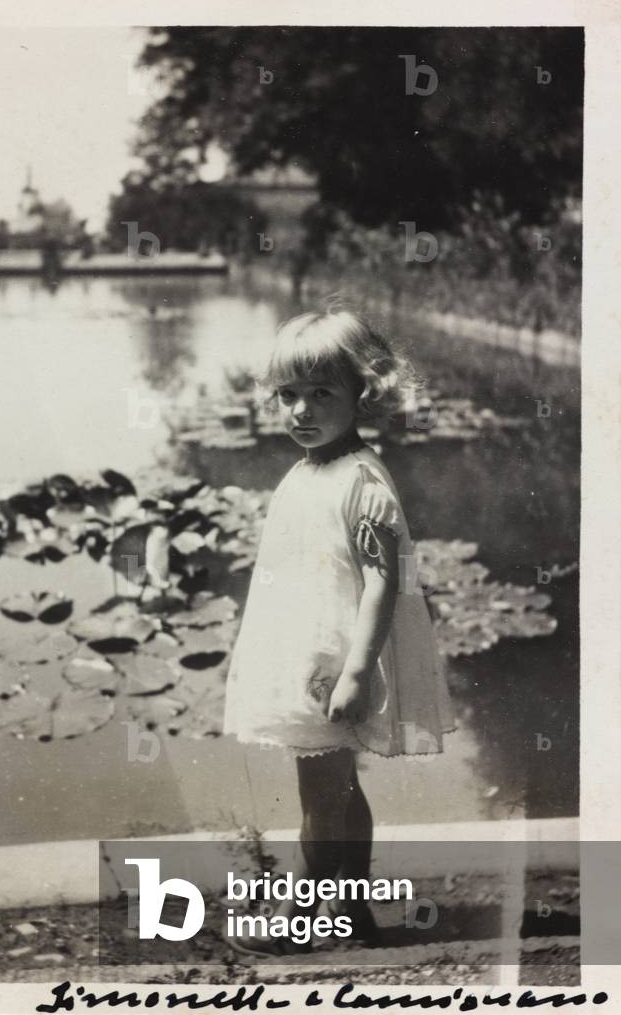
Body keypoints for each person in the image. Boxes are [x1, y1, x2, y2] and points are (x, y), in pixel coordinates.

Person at [222, 302, 456, 958]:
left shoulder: (361, 480)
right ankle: (351, 906)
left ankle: (299, 918)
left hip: (337, 662)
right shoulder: (308, 470)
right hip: (307, 653)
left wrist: (356, 672)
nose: (301, 410)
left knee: (320, 800)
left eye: (321, 393)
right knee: (339, 791)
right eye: (288, 395)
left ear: (363, 393)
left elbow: (383, 583)